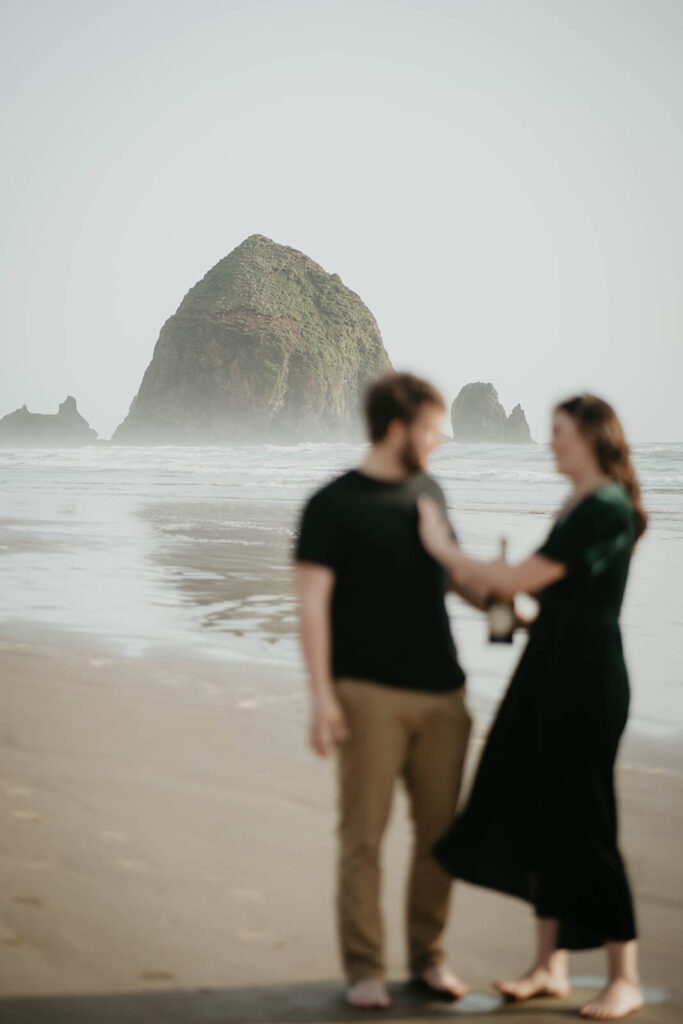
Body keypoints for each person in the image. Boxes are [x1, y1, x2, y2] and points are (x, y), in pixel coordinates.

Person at [417, 393, 647, 1021]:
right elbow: (550, 595)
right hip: (549, 668)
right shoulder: (580, 503)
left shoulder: (603, 506)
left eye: (561, 432)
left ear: (594, 438)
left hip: (586, 678)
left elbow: (519, 579)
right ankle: (549, 966)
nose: (551, 442)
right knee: (545, 813)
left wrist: (440, 547)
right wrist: (518, 614)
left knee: (587, 819)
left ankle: (624, 975)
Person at [294, 372, 479, 1010]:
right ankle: (366, 968)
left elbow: (460, 579)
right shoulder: (331, 505)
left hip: (443, 696)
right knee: (363, 838)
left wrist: (530, 596)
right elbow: (312, 607)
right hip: (366, 694)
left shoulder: (430, 491)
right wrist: (322, 697)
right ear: (399, 429)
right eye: (433, 427)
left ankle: (429, 958)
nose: (442, 439)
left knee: (439, 837)